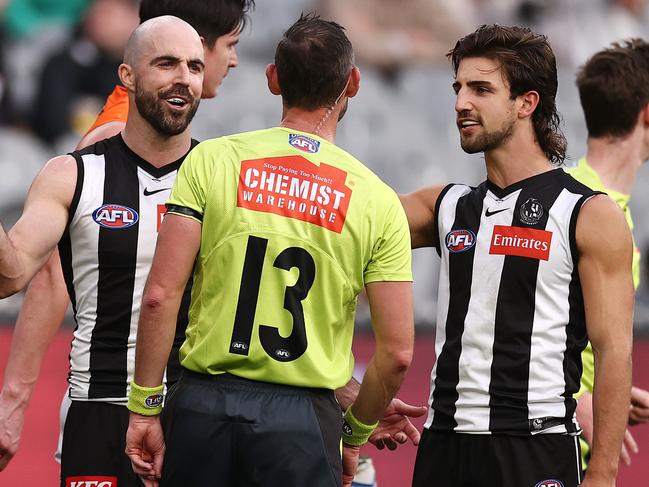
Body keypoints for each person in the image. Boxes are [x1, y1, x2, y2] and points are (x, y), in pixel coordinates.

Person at [125, 13, 414, 487]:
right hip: (303, 423)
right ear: (354, 84)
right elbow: (398, 352)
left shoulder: (211, 159)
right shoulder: (377, 199)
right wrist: (356, 432)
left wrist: (144, 410)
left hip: (204, 408)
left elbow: (160, 294)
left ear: (273, 78)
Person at [0, 0, 254, 475]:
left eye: (195, 64)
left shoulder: (222, 173)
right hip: (102, 403)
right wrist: (13, 398)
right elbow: (49, 270)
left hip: (193, 405)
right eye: (230, 45)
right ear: (132, 71)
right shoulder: (97, 153)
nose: (233, 60)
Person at [401, 24, 634, 487]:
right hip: (443, 444)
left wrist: (603, 474)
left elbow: (615, 352)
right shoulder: (445, 206)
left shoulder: (587, 213)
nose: (460, 103)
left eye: (481, 89)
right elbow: (347, 224)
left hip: (535, 449)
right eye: (458, 87)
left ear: (527, 103)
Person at [568, 38, 649, 470]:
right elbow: (506, 308)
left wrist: (607, 392)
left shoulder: (599, 202)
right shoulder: (573, 205)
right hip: (551, 444)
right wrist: (575, 399)